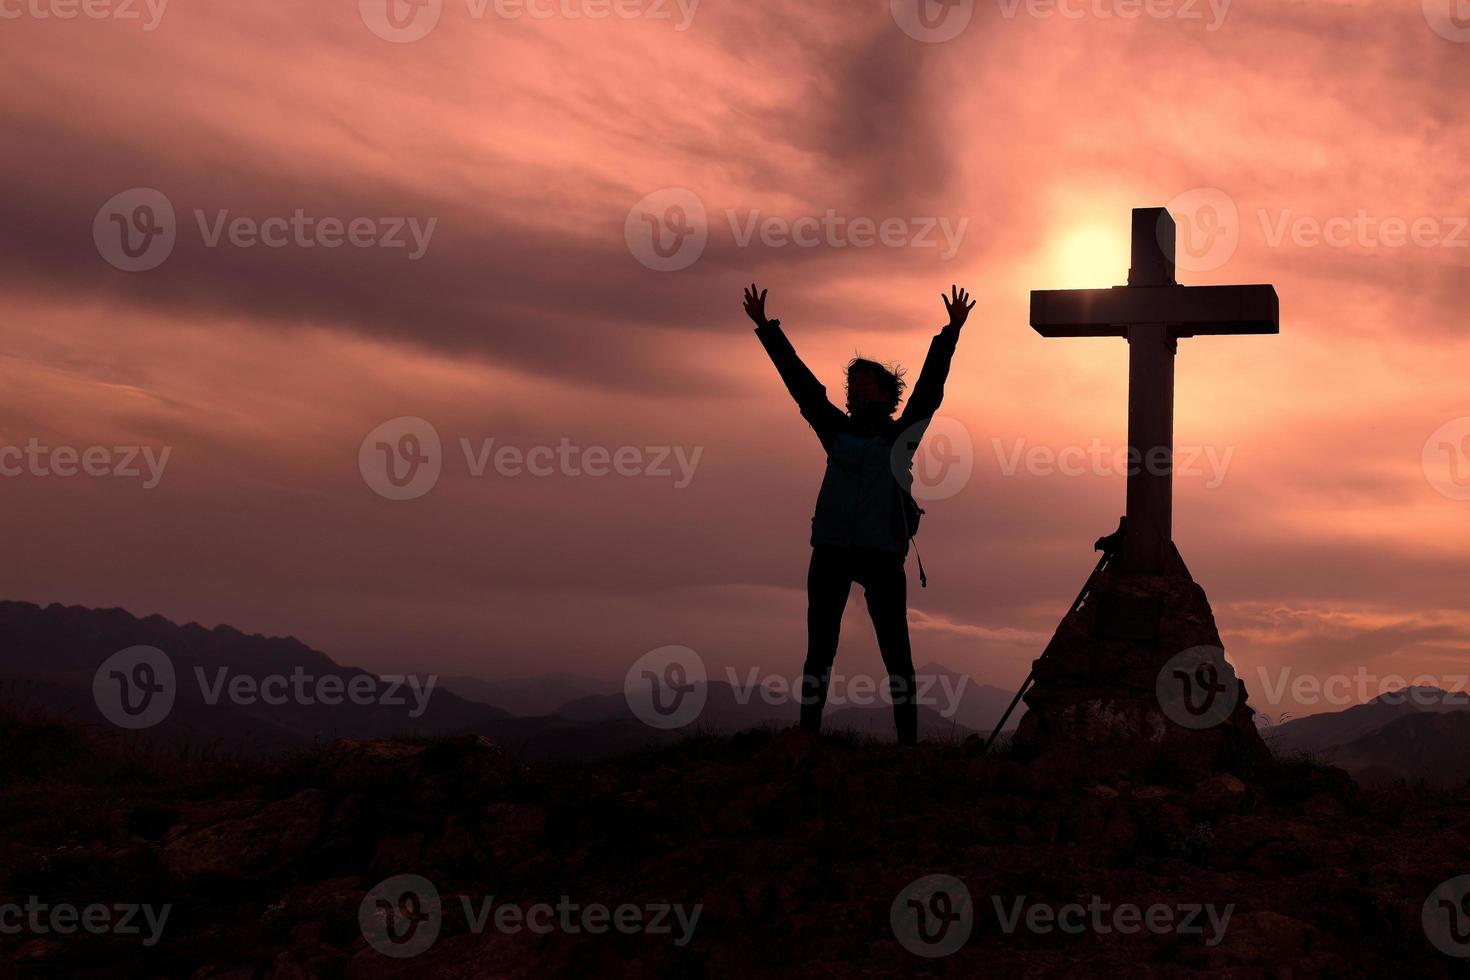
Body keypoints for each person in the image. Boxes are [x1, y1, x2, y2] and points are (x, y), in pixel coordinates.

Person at [742, 283, 974, 745]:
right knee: (820, 650)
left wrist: (949, 334)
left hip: (881, 556)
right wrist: (767, 329)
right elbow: (803, 387)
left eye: (864, 381)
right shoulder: (836, 430)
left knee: (897, 654)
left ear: (885, 393)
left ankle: (907, 745)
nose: (854, 386)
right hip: (830, 549)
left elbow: (928, 393)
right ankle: (808, 734)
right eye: (852, 382)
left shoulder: (899, 438)